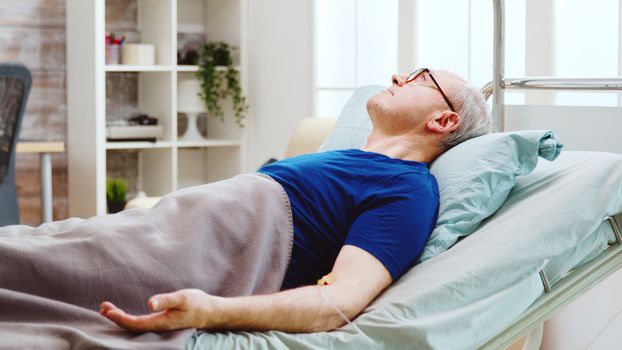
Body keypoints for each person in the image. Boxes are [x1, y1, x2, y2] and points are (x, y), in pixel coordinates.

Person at [98, 68, 491, 333]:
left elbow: (339, 300)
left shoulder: (407, 191)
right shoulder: (341, 161)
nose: (397, 76)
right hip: (161, 227)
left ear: (443, 121)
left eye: (420, 78)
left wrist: (213, 310)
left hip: (193, 255)